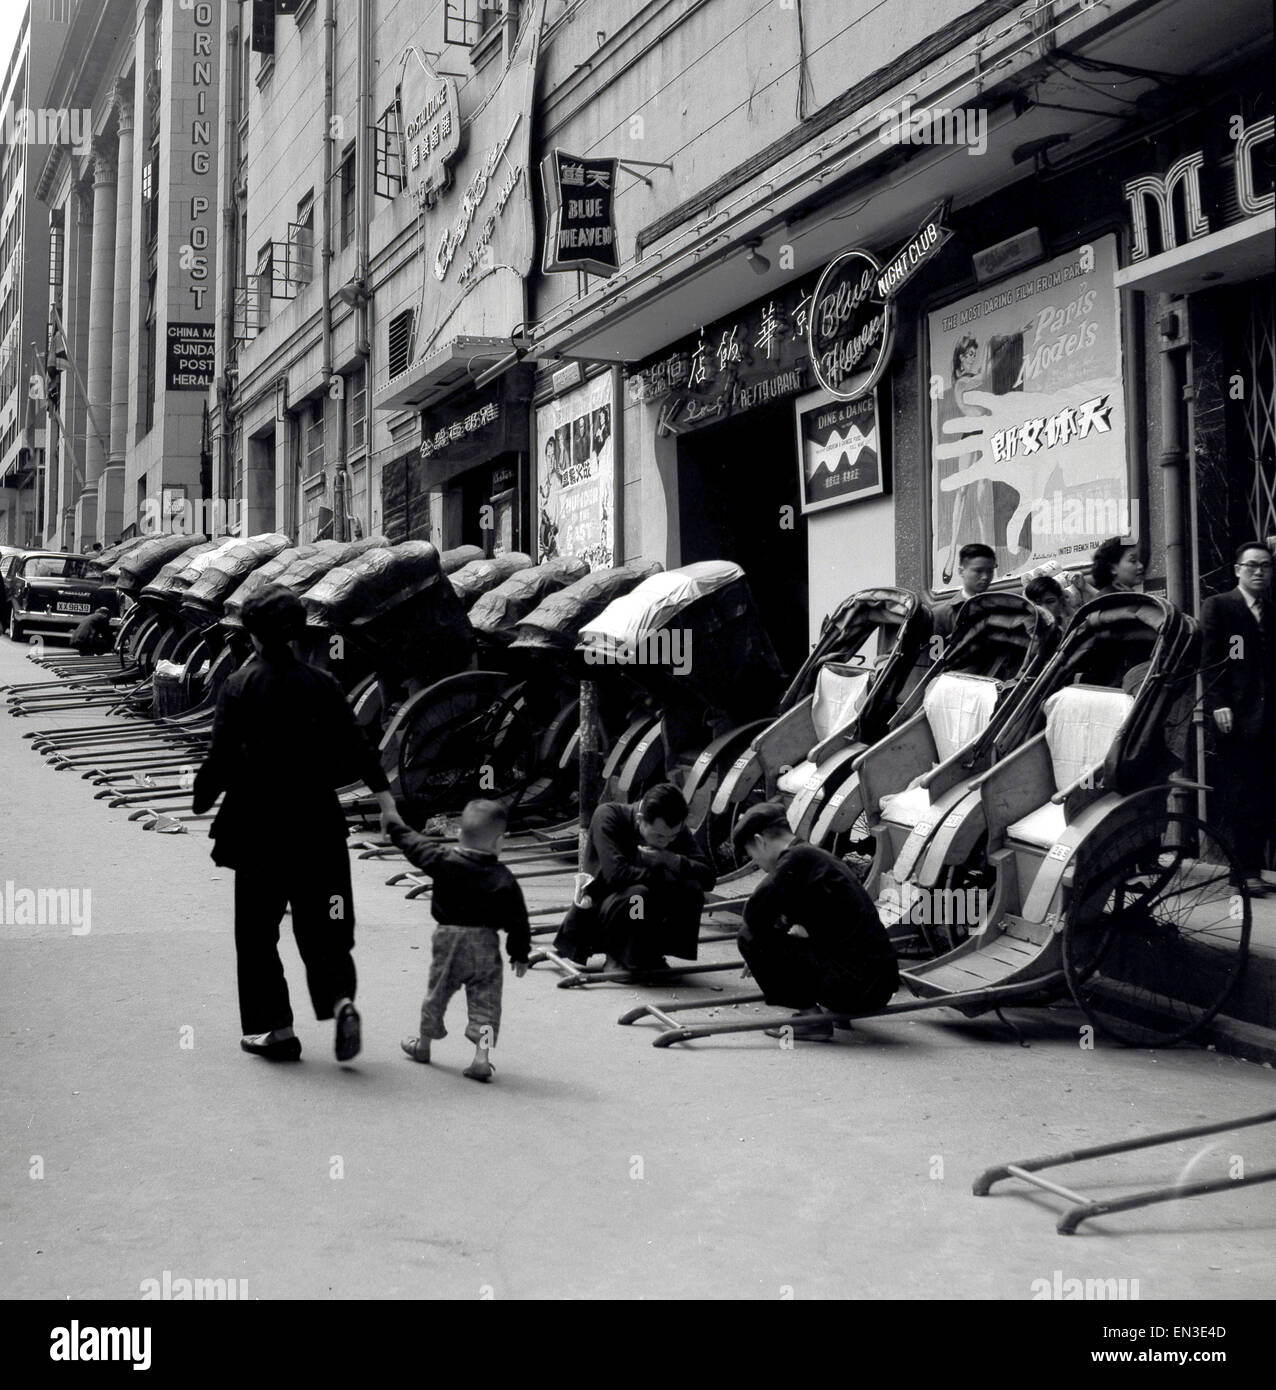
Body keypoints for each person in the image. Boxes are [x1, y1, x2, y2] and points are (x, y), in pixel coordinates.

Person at [192, 585, 400, 1062]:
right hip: (318, 828)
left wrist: (203, 797)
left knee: (257, 932)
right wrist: (387, 803)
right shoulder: (322, 685)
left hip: (258, 830)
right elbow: (358, 746)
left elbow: (221, 757)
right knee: (325, 925)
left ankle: (277, 1030)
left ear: (254, 638)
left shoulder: (240, 687)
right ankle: (341, 1002)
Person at [384, 799, 530, 1082]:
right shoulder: (504, 878)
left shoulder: (443, 859)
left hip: (448, 940)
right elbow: (518, 921)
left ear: (460, 835)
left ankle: (423, 1046)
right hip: (485, 944)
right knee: (486, 1004)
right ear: (500, 842)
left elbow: (416, 846)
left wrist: (395, 827)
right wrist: (519, 954)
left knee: (436, 993)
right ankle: (481, 1057)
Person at [731, 802, 899, 1040]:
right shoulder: (812, 856)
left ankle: (812, 1020)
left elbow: (754, 914)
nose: (757, 863)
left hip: (857, 987)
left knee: (748, 937)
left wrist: (762, 953)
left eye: (752, 855)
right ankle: (834, 1010)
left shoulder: (794, 861)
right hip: (874, 982)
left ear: (760, 841)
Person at [553, 782, 716, 973]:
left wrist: (671, 859)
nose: (665, 842)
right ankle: (617, 955)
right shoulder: (608, 815)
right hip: (602, 907)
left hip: (646, 904)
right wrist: (663, 874)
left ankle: (650, 953)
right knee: (639, 896)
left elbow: (708, 878)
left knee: (692, 891)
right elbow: (617, 876)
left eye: (672, 837)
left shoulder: (672, 830)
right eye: (659, 837)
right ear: (640, 819)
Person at [1202, 542, 1276, 896]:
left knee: (1264, 796)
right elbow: (1216, 660)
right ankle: (1243, 872)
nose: (1258, 572)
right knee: (1242, 795)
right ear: (1237, 570)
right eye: (1251, 566)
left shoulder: (1272, 612)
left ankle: (1252, 870)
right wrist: (1219, 702)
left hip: (1270, 720)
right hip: (1237, 718)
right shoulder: (1222, 607)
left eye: (1265, 566)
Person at [933, 542, 996, 640]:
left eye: (990, 571)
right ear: (961, 571)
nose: (985, 577)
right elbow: (935, 654)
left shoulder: (1000, 607)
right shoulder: (941, 615)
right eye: (978, 571)